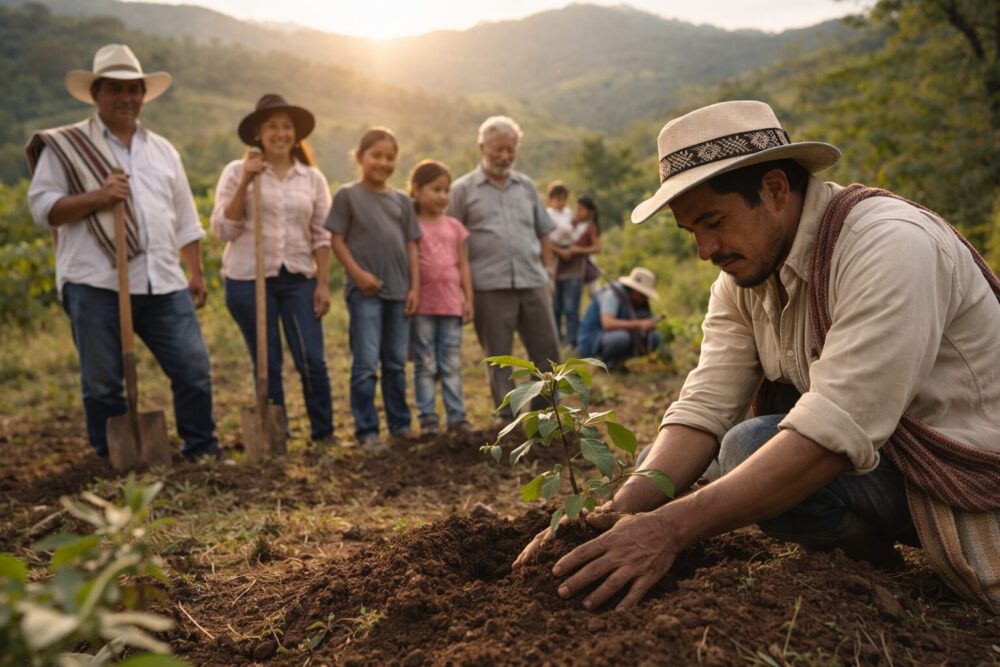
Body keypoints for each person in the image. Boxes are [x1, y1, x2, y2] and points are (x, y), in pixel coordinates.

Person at [516, 100, 1000, 612]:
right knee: (679, 465)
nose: (704, 249)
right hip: (886, 459)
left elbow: (834, 430)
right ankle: (873, 566)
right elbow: (705, 405)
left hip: (966, 468)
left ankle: (891, 563)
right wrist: (622, 509)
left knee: (748, 447)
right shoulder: (743, 277)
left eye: (714, 221)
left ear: (774, 190)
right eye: (692, 233)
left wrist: (668, 529)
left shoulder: (889, 246)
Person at [25, 44, 220, 462]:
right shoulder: (67, 146)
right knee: (102, 382)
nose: (126, 98)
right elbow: (43, 209)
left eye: (133, 89)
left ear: (143, 95)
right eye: (115, 89)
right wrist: (98, 197)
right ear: (96, 93)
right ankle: (112, 456)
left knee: (193, 369)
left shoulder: (163, 149)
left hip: (164, 279)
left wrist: (196, 272)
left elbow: (185, 217)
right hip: (95, 281)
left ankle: (201, 448)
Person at [210, 94, 335, 446]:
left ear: (295, 134)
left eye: (286, 127)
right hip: (249, 280)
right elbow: (222, 230)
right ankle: (275, 436)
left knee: (312, 358)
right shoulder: (236, 173)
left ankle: (324, 434)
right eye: (272, 127)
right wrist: (248, 181)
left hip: (298, 279)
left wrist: (322, 284)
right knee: (267, 361)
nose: (280, 133)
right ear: (258, 134)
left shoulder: (311, 178)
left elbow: (321, 235)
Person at [445, 116, 561, 424]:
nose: (505, 156)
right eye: (498, 149)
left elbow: (544, 232)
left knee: (547, 353)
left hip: (532, 280)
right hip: (488, 286)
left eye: (511, 150)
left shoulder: (526, 187)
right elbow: (449, 240)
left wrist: (549, 273)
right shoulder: (462, 190)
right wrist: (460, 290)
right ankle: (507, 421)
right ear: (482, 147)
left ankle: (547, 419)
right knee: (498, 358)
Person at [326, 127, 421, 452]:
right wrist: (358, 274)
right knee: (365, 363)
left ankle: (400, 425)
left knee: (395, 363)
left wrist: (414, 288)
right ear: (360, 156)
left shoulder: (401, 201)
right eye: (376, 155)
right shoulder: (348, 195)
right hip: (365, 293)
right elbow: (336, 239)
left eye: (390, 157)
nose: (383, 162)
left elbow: (411, 245)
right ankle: (367, 431)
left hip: (399, 292)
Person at [408, 160, 473, 436]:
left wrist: (469, 298)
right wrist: (412, 292)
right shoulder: (412, 226)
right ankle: (428, 419)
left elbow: (463, 264)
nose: (443, 196)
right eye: (436, 189)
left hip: (450, 305)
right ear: (416, 190)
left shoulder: (454, 226)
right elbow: (411, 263)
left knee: (450, 363)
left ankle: (457, 417)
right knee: (425, 364)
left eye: (446, 190)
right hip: (423, 305)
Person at [575, 266, 659, 371]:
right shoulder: (612, 294)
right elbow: (608, 324)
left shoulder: (638, 301)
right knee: (621, 338)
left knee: (654, 337)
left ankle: (620, 362)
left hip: (613, 335)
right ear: (635, 290)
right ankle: (606, 364)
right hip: (593, 339)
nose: (645, 298)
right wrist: (640, 324)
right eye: (643, 294)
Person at [552, 195, 602, 347]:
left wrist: (576, 250)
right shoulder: (571, 223)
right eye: (576, 208)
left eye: (581, 209)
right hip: (559, 269)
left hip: (576, 270)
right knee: (556, 307)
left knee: (570, 308)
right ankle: (557, 339)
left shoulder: (591, 227)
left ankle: (571, 341)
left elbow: (597, 248)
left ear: (589, 211)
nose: (577, 212)